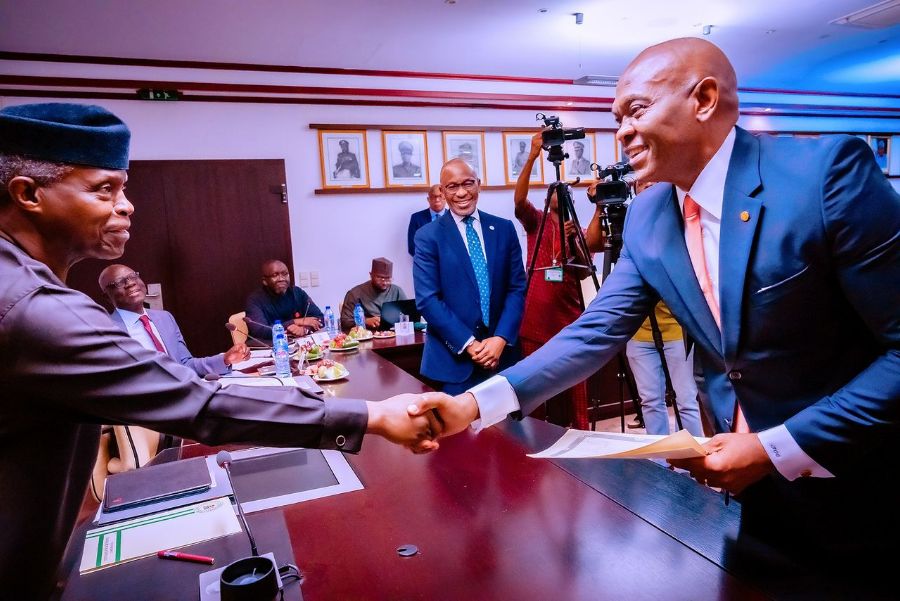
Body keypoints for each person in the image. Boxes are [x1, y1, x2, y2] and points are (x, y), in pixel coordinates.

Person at [410, 37, 900, 576]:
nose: (620, 131)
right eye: (617, 115)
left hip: (860, 479)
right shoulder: (649, 214)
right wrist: (476, 405)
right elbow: (593, 333)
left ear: (704, 99)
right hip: (752, 494)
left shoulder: (827, 174)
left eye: (636, 110)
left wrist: (775, 447)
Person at [0, 103, 446, 599]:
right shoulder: (29, 307)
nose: (127, 206)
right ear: (28, 194)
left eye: (124, 189)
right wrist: (372, 416)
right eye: (105, 189)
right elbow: (198, 402)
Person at [585, 180, 703, 436]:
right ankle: (660, 466)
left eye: (654, 182)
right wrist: (599, 207)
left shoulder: (678, 216)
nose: (648, 187)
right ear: (633, 189)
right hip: (638, 331)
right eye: (642, 183)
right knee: (650, 401)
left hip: (676, 328)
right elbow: (592, 245)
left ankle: (695, 467)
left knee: (686, 402)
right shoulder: (630, 222)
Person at [413, 158, 526, 394]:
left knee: (511, 429)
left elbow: (516, 289)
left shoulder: (504, 229)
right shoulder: (427, 236)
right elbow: (428, 300)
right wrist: (470, 343)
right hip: (454, 365)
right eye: (453, 186)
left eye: (468, 183)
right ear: (442, 191)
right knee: (460, 432)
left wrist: (501, 338)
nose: (462, 192)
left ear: (479, 184)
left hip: (503, 359)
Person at [513, 131, 592, 429]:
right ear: (547, 199)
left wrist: (574, 241)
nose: (562, 195)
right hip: (535, 324)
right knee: (534, 397)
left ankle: (582, 446)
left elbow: (585, 272)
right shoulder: (536, 223)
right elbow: (519, 200)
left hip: (569, 325)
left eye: (566, 193)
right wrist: (533, 155)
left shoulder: (577, 230)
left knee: (576, 400)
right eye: (556, 192)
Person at [99, 264, 249, 376]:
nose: (130, 283)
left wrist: (225, 359)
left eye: (133, 276)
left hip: (184, 394)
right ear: (107, 296)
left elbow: (185, 365)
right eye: (119, 283)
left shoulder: (164, 318)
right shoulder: (107, 331)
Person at [245, 259, 324, 340]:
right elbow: (259, 331)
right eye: (275, 275)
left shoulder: (297, 292)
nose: (281, 279)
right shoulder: (255, 300)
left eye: (285, 274)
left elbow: (320, 318)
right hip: (267, 348)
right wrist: (295, 322)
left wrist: (305, 329)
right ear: (265, 281)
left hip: (296, 345)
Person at [340, 257, 407, 331]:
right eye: (380, 277)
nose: (384, 282)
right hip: (367, 336)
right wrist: (365, 321)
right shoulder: (355, 293)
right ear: (371, 275)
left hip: (394, 335)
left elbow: (409, 316)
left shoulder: (397, 291)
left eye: (388, 278)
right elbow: (345, 321)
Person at [407, 184, 446, 256]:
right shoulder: (416, 218)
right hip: (425, 264)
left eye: (440, 196)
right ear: (428, 199)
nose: (437, 200)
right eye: (433, 196)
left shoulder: (454, 218)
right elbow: (412, 247)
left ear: (445, 198)